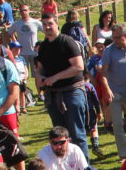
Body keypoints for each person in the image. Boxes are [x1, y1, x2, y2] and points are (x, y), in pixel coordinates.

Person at [35, 11, 91, 161]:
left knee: (77, 134)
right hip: (53, 94)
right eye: (44, 25)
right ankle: (64, 167)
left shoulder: (67, 42)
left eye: (50, 24)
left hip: (72, 92)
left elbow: (79, 66)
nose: (47, 27)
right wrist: (39, 77)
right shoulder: (44, 46)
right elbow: (39, 67)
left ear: (57, 23)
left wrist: (55, 77)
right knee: (59, 136)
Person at [98, 23, 126, 160]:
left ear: (125, 36)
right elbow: (103, 74)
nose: (114, 40)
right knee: (117, 124)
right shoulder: (109, 50)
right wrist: (107, 90)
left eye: (117, 37)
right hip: (114, 91)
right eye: (113, 37)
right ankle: (123, 154)